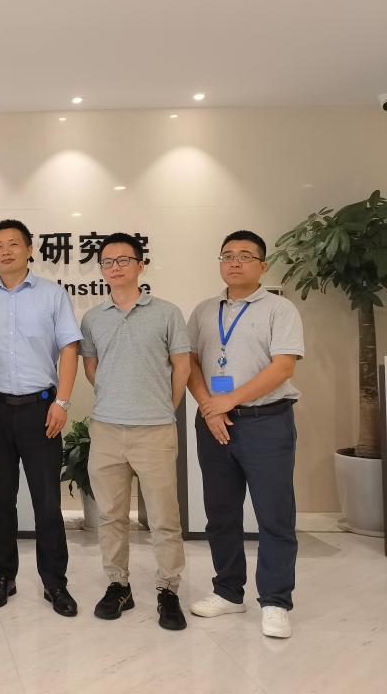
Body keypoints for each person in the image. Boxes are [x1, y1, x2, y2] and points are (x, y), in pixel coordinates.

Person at [186, 230, 304, 639]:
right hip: (214, 423)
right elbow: (191, 363)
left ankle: (275, 601)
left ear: (262, 265)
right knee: (220, 513)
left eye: (244, 256)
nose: (234, 262)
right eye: (227, 255)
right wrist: (209, 406)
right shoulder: (204, 311)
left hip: (265, 422)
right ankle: (228, 591)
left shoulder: (279, 309)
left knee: (274, 516)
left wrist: (228, 400)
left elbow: (283, 367)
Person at [0, 219, 82, 616]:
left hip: (41, 409)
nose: (6, 251)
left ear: (30, 249)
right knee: (0, 502)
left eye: (14, 244)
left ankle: (55, 582)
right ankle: (3, 576)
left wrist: (62, 402)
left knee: (47, 502)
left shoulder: (52, 295)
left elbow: (69, 349)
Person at [79, 232, 190, 630]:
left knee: (163, 517)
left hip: (155, 430)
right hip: (107, 429)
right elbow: (92, 368)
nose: (115, 267)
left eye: (123, 260)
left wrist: (163, 406)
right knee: (110, 515)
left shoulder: (167, 313)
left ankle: (168, 589)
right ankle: (118, 585)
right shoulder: (93, 318)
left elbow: (182, 367)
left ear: (140, 265)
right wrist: (116, 398)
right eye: (107, 262)